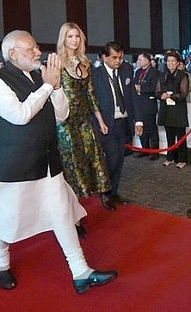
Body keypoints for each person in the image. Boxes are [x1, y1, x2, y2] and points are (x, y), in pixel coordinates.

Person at [0, 30, 117, 293]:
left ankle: (81, 272)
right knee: (5, 217)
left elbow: (61, 114)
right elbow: (20, 115)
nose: (38, 53)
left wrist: (55, 87)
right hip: (13, 164)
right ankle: (1, 264)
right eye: (31, 49)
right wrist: (47, 86)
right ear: (12, 54)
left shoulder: (39, 77)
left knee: (62, 214)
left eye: (36, 48)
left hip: (47, 163)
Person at [55, 22, 114, 211]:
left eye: (77, 36)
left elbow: (91, 94)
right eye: (70, 36)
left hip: (85, 120)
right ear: (63, 39)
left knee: (95, 156)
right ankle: (72, 212)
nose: (74, 40)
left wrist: (100, 120)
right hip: (65, 121)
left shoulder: (85, 62)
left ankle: (102, 194)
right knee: (73, 163)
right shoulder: (56, 62)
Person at [92, 42, 144, 210]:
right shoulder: (95, 75)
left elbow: (133, 97)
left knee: (120, 159)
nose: (118, 61)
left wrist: (138, 121)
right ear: (104, 57)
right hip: (106, 124)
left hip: (124, 122)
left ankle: (113, 192)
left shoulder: (127, 70)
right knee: (112, 157)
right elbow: (92, 102)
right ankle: (105, 192)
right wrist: (99, 121)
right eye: (114, 57)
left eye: (120, 57)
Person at [157, 51, 189, 169]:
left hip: (178, 108)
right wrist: (161, 96)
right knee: (169, 134)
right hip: (166, 108)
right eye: (168, 61)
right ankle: (169, 157)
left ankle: (182, 159)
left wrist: (171, 95)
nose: (170, 63)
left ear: (177, 63)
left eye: (173, 61)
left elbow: (184, 93)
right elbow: (157, 91)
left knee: (180, 134)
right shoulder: (162, 75)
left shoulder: (182, 75)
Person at [133, 52, 161, 160]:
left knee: (151, 129)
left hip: (149, 104)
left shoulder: (154, 72)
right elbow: (134, 84)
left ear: (147, 60)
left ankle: (154, 152)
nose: (138, 61)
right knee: (142, 130)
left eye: (140, 59)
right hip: (139, 103)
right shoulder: (138, 71)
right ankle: (144, 150)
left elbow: (154, 88)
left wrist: (141, 89)